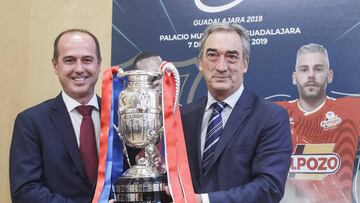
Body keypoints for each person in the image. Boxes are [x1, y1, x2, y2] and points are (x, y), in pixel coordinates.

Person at [181, 23, 292, 203]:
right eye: (212, 55)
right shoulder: (183, 116)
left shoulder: (271, 117)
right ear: (201, 62)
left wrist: (203, 200)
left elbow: (269, 187)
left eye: (231, 57)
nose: (221, 66)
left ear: (245, 64)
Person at [9, 29, 102, 203]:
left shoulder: (120, 116)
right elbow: (25, 192)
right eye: (69, 60)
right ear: (55, 66)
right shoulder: (31, 122)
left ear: (99, 64)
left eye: (87, 60)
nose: (79, 69)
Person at [277, 43, 360, 203]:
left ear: (330, 75)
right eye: (304, 69)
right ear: (294, 77)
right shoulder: (274, 112)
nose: (311, 75)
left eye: (318, 69)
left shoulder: (353, 109)